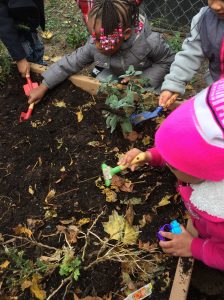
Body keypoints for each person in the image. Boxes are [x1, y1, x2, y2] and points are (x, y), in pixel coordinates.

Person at [118, 78, 224, 270]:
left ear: (206, 171)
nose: (167, 163)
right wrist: (150, 155)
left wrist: (195, 247)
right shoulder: (207, 164)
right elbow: (183, 153)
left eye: (171, 165)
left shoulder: (219, 216)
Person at [28, 0, 174, 104]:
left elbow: (166, 61)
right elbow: (71, 62)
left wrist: (141, 80)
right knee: (101, 86)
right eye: (94, 37)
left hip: (143, 76)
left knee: (151, 98)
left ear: (126, 33)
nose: (96, 44)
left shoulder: (149, 42)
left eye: (102, 39)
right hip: (113, 71)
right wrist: (44, 85)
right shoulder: (95, 44)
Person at [159, 0, 224, 108]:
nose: (215, 6)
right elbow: (190, 54)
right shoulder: (204, 19)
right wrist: (173, 84)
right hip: (216, 88)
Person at [0, 0, 45, 78]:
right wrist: (20, 58)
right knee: (27, 60)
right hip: (15, 35)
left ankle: (39, 66)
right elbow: (3, 25)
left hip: (29, 24)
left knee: (38, 49)